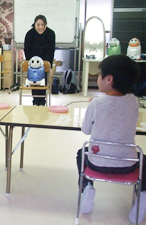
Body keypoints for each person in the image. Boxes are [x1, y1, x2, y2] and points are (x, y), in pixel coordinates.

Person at [76, 55, 146, 224]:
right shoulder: (134, 102)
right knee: (145, 162)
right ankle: (142, 194)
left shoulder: (97, 103)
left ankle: (87, 187)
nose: (97, 78)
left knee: (81, 153)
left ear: (109, 79)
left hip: (96, 162)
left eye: (99, 75)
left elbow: (85, 130)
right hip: (127, 164)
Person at [24, 15, 55, 106]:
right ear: (34, 25)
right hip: (33, 64)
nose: (40, 27)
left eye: (42, 25)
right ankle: (35, 101)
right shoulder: (29, 34)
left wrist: (49, 66)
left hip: (45, 63)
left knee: (43, 82)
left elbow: (51, 51)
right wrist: (31, 64)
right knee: (34, 82)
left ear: (45, 25)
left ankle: (42, 101)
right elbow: (27, 50)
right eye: (38, 25)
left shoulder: (51, 34)